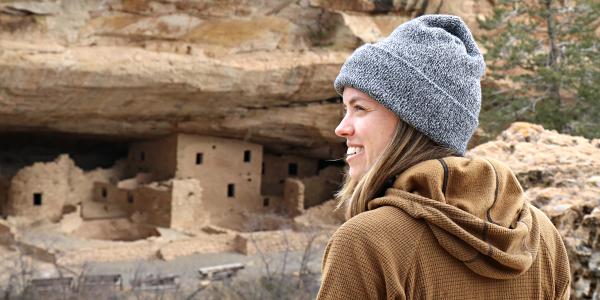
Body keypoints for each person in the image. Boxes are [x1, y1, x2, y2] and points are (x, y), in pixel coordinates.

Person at [317, 14, 570, 299]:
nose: (341, 128)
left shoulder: (366, 243)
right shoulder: (541, 236)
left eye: (359, 108)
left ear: (411, 120)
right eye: (345, 110)